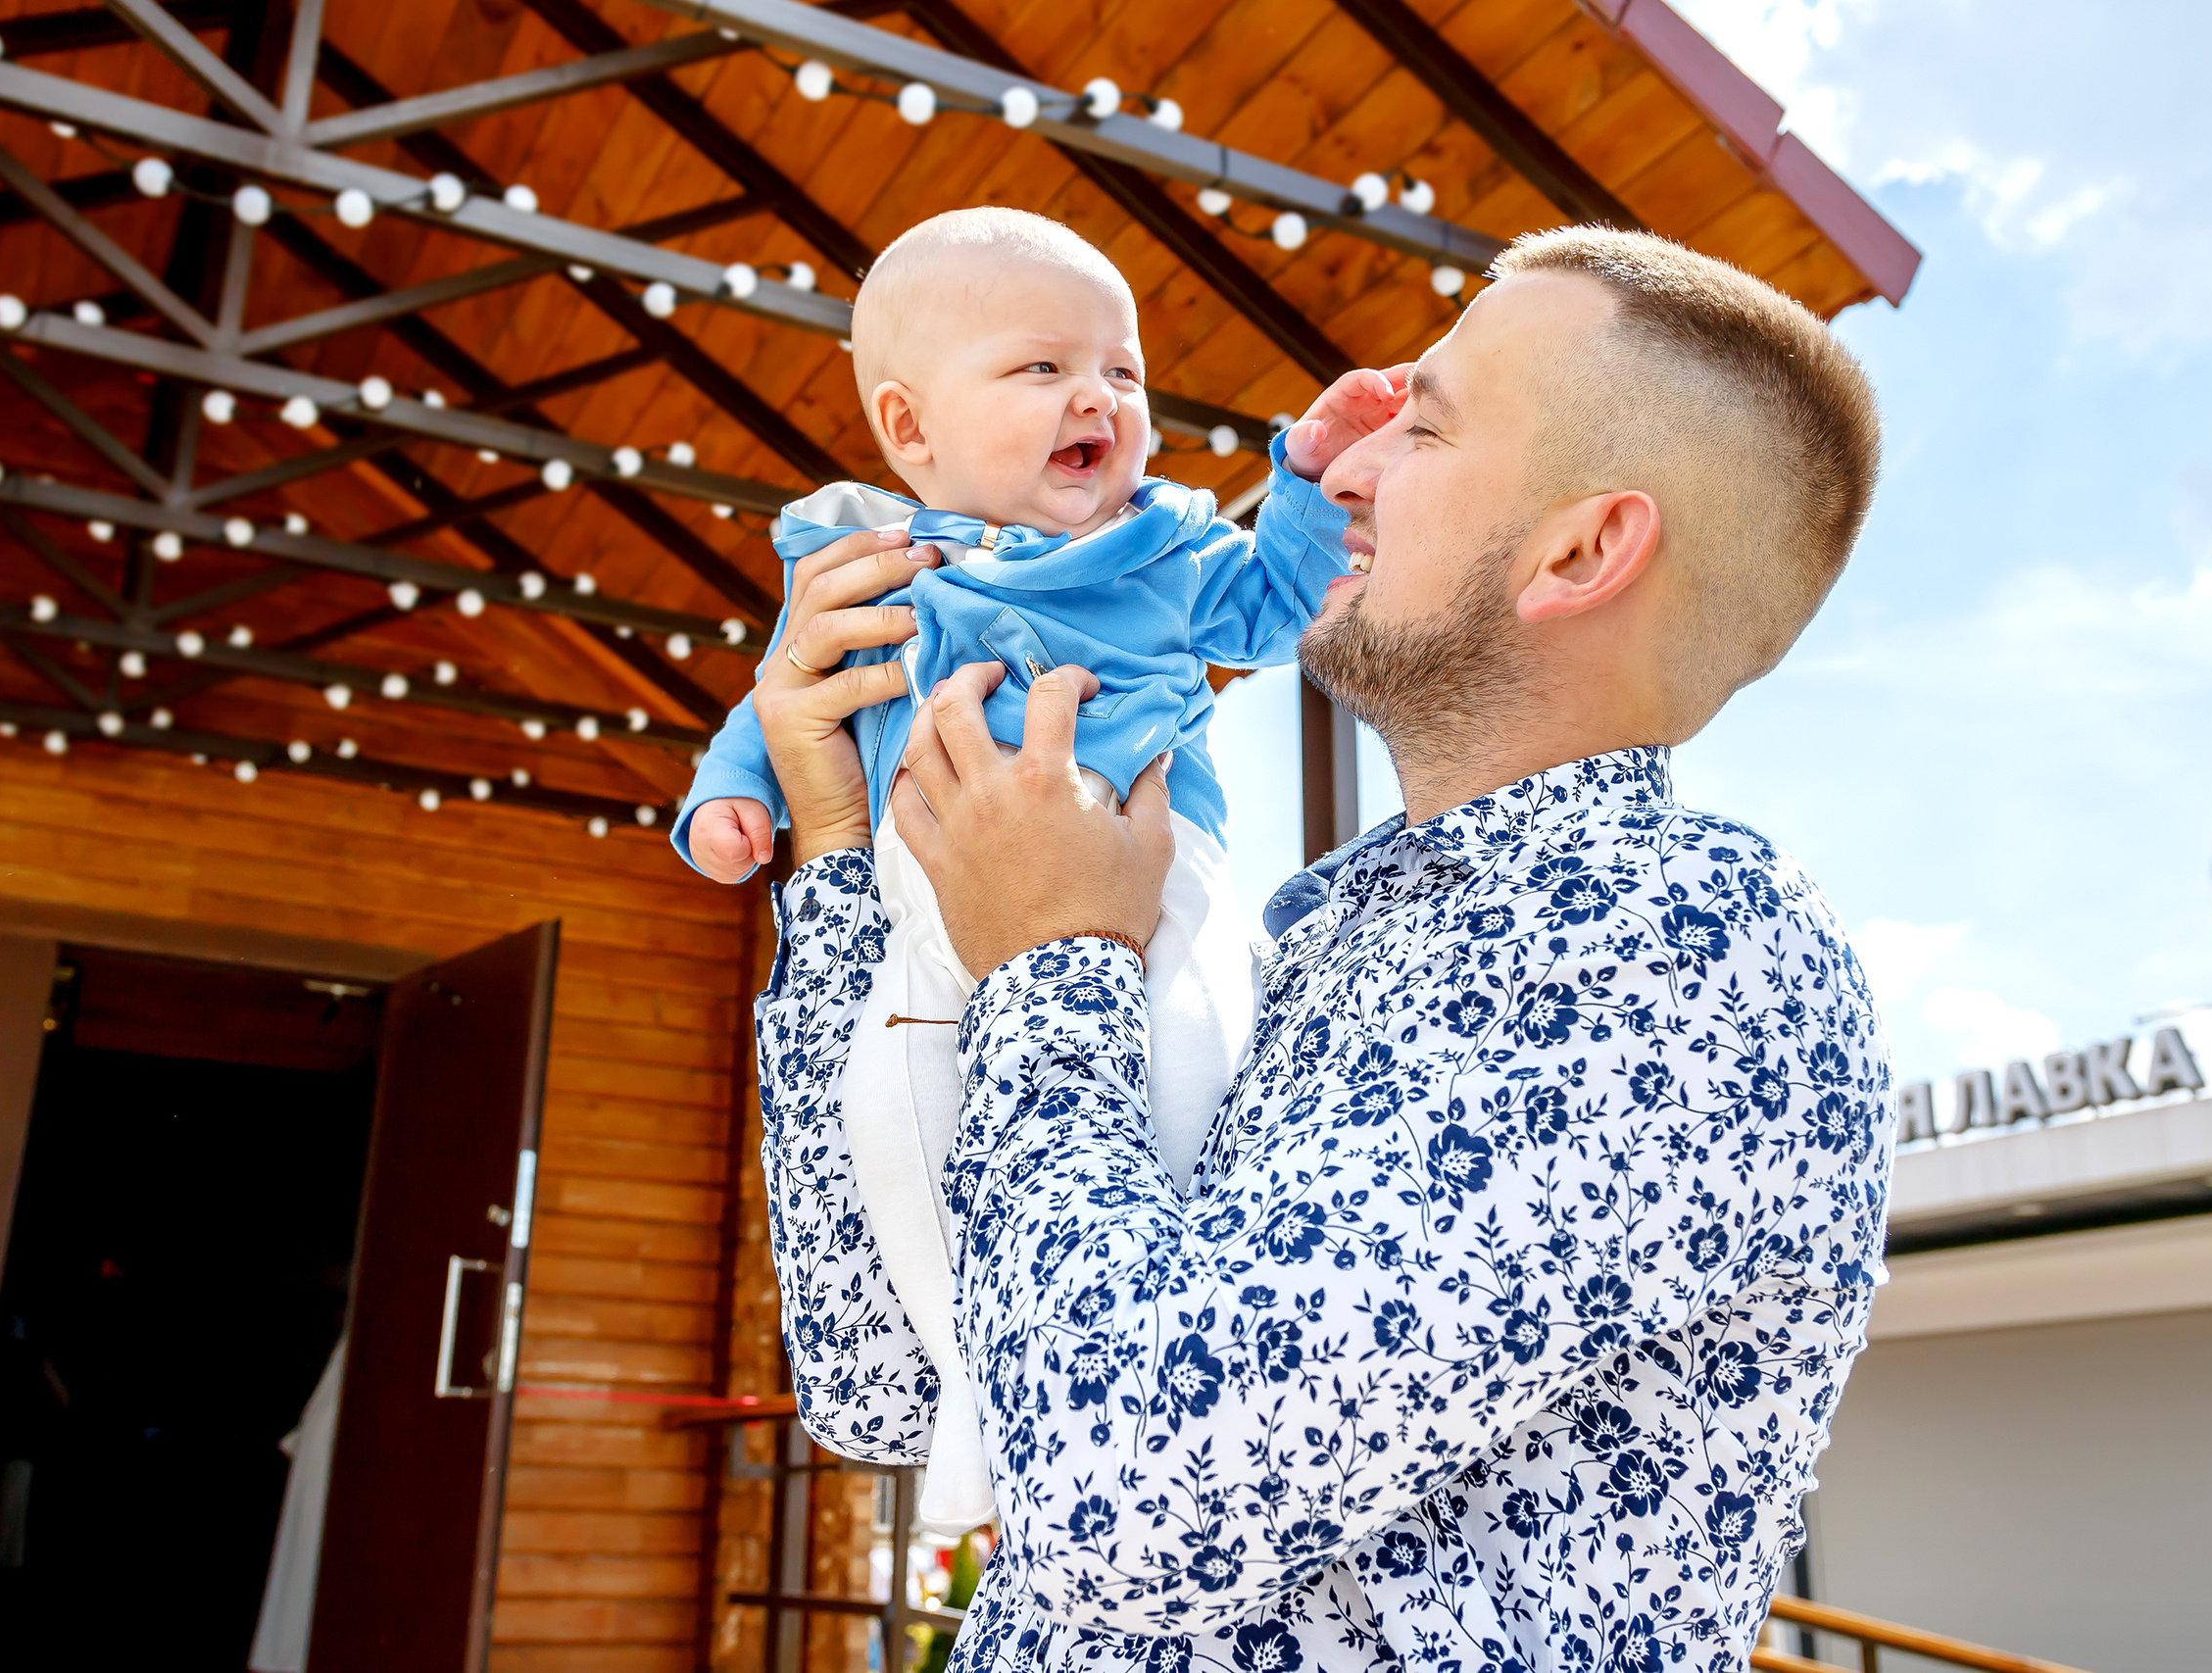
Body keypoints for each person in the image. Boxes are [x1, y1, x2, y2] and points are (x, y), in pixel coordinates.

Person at [745, 225, 1895, 1670]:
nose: (1344, 468)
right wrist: (840, 846)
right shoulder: (1302, 946)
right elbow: (881, 1381)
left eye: (1422, 427)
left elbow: (1126, 1507)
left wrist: (1052, 956)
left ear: (1585, 546)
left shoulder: (1693, 951)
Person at [671, 207, 1368, 1532]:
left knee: (1179, 1061)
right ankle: (987, 1394)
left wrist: (1303, 481)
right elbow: (771, 711)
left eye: (1123, 371)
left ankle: (1113, 1357)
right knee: (886, 1105)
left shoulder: (1164, 548)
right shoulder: (868, 560)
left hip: (1150, 880)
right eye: (1042, 367)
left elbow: (1281, 605)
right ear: (911, 430)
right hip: (920, 891)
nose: (1097, 393)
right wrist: (730, 804)